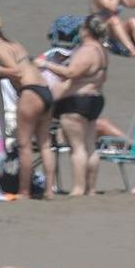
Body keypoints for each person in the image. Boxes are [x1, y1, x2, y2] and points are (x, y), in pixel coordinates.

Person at [0, 12, 54, 201]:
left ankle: (24, 192)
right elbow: (23, 67)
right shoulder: (13, 44)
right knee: (45, 144)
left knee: (24, 145)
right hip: (45, 90)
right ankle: (49, 191)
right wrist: (0, 73)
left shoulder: (0, 48)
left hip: (30, 92)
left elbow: (17, 72)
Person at [42, 13, 110, 196]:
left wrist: (46, 65)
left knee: (77, 147)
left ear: (86, 30)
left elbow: (71, 72)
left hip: (78, 102)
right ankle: (91, 188)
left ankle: (79, 188)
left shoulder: (87, 50)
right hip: (95, 99)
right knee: (90, 145)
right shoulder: (101, 50)